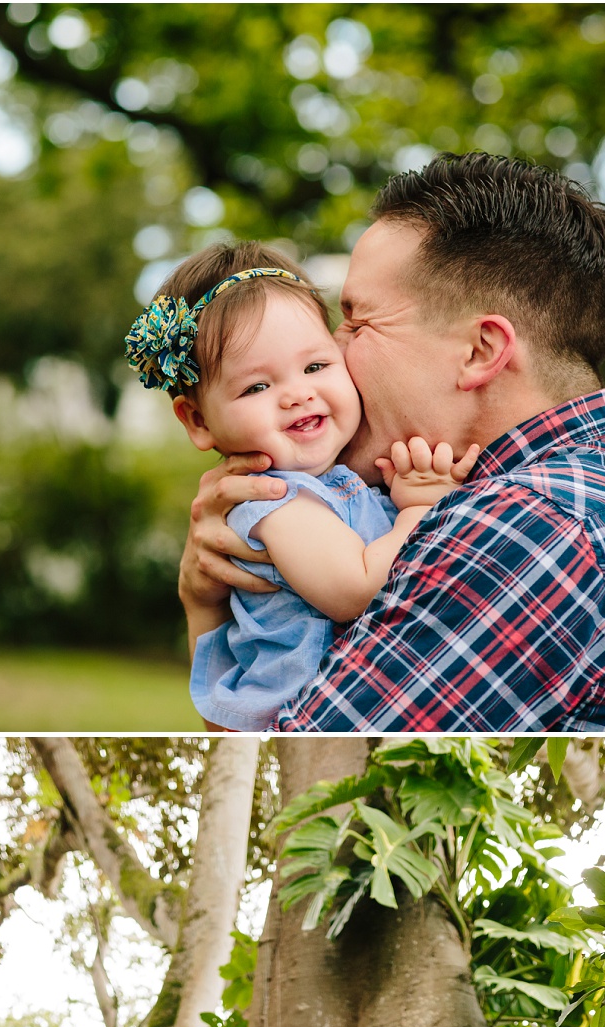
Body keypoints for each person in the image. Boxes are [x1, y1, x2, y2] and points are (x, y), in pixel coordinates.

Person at [177, 153, 605, 732]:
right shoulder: (595, 490)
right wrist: (213, 596)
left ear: (480, 352)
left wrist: (204, 614)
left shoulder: (525, 529)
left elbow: (302, 768)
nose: (334, 350)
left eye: (358, 321)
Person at [124, 241, 478, 729]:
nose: (297, 394)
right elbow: (357, 588)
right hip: (288, 718)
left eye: (316, 366)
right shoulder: (274, 502)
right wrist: (420, 507)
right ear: (199, 420)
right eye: (256, 387)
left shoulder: (339, 482)